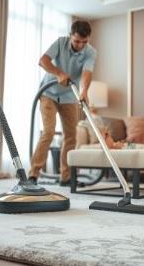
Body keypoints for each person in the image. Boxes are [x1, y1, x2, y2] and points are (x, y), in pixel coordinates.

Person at [29, 20, 96, 186]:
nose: (80, 45)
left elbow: (87, 72)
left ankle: (66, 177)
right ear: (70, 36)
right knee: (49, 132)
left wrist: (84, 91)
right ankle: (32, 175)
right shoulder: (60, 43)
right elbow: (43, 60)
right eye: (76, 41)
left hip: (68, 97)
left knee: (71, 136)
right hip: (48, 93)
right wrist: (59, 73)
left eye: (84, 42)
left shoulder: (90, 52)